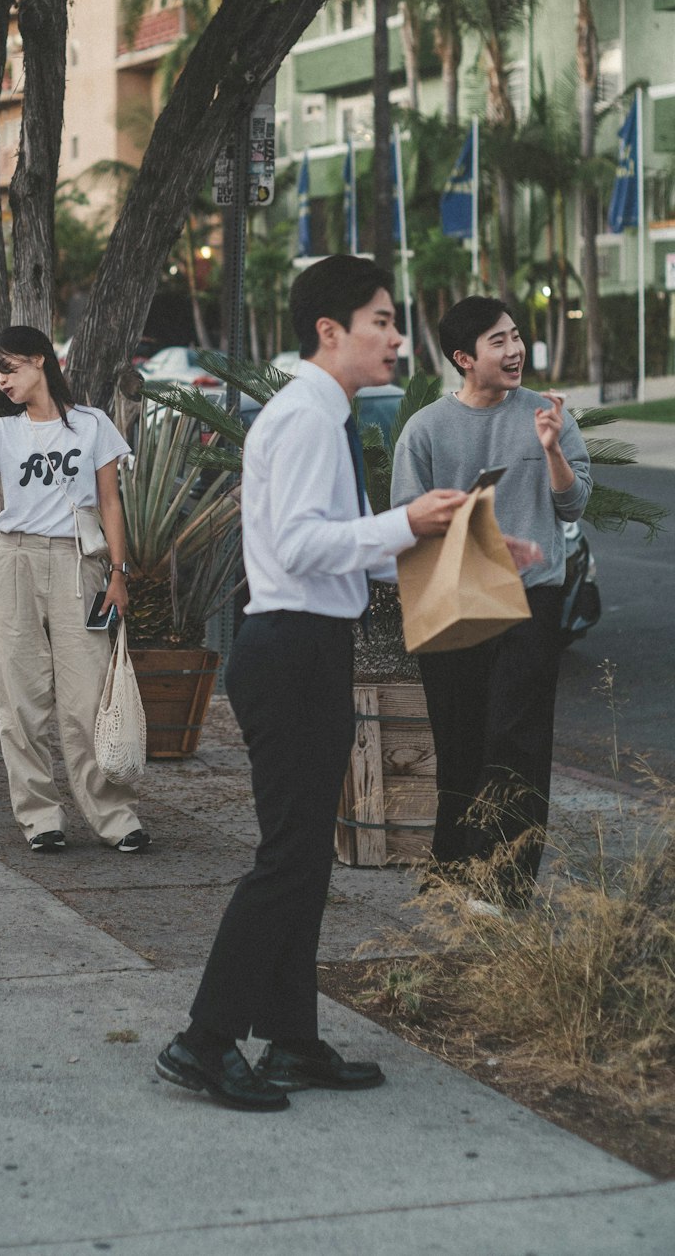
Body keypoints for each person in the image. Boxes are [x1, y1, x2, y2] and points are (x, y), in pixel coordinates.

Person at [156, 256, 468, 1112]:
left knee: (303, 858)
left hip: (307, 647)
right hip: (289, 649)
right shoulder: (301, 419)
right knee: (288, 858)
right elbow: (298, 545)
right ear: (330, 331)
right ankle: (203, 1040)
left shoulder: (320, 414)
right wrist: (406, 521)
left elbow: (338, 542)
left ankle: (291, 1040)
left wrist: (456, 539)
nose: (397, 336)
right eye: (381, 319)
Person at [391, 296, 591, 910]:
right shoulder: (424, 429)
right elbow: (406, 523)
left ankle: (505, 886)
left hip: (532, 602)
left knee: (517, 740)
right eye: (497, 342)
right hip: (453, 604)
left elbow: (573, 504)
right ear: (462, 358)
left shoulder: (547, 413)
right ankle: (451, 869)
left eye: (515, 336)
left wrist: (553, 449)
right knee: (459, 740)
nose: (514, 350)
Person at [0, 325, 150, 854]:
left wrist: (119, 574)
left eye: (9, 368)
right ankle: (40, 818)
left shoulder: (93, 424)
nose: (2, 380)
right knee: (20, 695)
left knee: (85, 697)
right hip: (15, 560)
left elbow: (110, 502)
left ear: (40, 360)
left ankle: (115, 817)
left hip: (79, 565)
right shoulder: (4, 432)